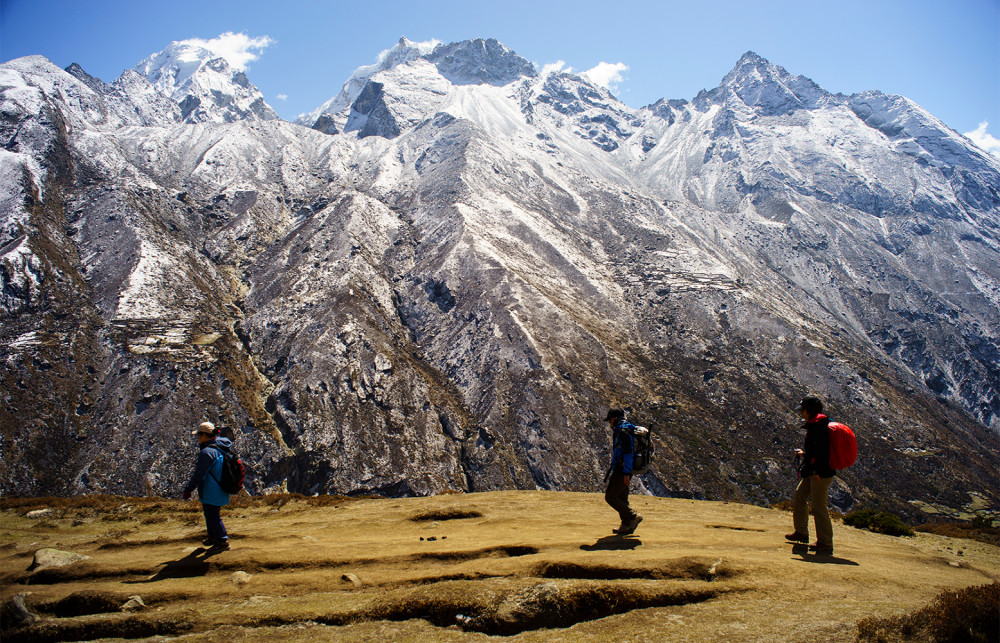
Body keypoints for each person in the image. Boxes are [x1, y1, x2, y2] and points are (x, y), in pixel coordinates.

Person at [785, 397, 835, 556]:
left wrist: (816, 471)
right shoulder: (817, 425)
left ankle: (825, 543)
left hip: (819, 473)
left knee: (819, 506)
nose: (801, 412)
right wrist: (805, 455)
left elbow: (822, 453)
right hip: (813, 470)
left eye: (802, 409)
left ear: (809, 410)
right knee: (800, 496)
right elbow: (816, 451)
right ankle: (801, 532)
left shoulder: (819, 428)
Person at [183, 421, 232, 551]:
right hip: (220, 487)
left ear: (204, 436)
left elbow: (199, 474)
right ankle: (213, 537)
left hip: (211, 489)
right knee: (210, 513)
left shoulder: (207, 453)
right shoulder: (220, 447)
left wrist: (189, 488)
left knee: (213, 515)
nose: (198, 438)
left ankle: (222, 541)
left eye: (199, 435)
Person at [604, 409, 642, 536]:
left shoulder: (622, 431)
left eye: (610, 419)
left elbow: (628, 453)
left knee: (610, 496)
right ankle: (626, 526)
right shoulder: (625, 429)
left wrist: (626, 473)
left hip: (622, 469)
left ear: (614, 418)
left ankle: (632, 516)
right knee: (621, 497)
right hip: (624, 468)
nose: (609, 423)